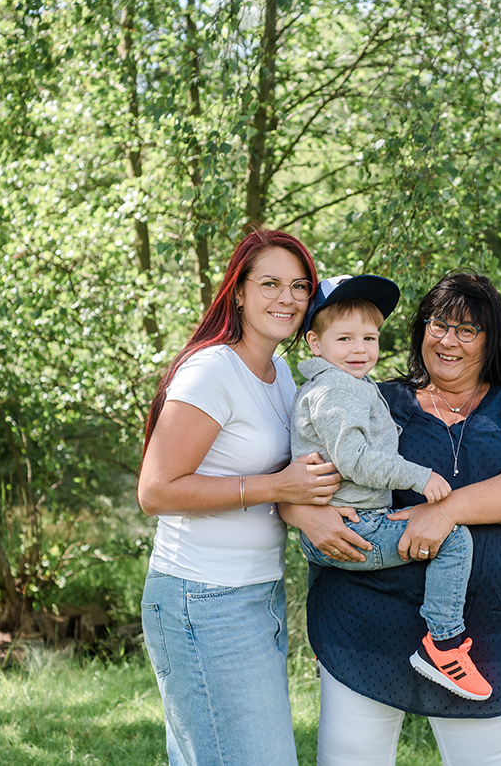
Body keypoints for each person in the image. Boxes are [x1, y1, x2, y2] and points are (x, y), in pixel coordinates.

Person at [281, 270, 501, 766]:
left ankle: (444, 643)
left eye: (467, 329)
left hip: (475, 637)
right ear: (420, 331)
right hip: (365, 622)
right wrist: (299, 512)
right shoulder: (378, 398)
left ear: (490, 340)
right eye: (438, 324)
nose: (448, 340)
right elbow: (301, 465)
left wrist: (445, 511)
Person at [136, 228, 357, 766]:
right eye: (271, 284)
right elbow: (156, 490)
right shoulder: (212, 369)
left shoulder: (280, 372)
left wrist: (306, 507)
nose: (287, 298)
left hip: (256, 594)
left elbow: (286, 475)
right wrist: (277, 488)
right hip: (201, 597)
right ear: (238, 290)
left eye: (300, 286)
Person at [291, 273, 491, 701]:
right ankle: (443, 642)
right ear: (314, 343)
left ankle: (329, 648)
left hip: (347, 518)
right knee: (453, 540)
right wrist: (420, 476)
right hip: (355, 524)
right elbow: (354, 460)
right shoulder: (336, 391)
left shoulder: (352, 385)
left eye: (369, 337)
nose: (360, 349)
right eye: (344, 339)